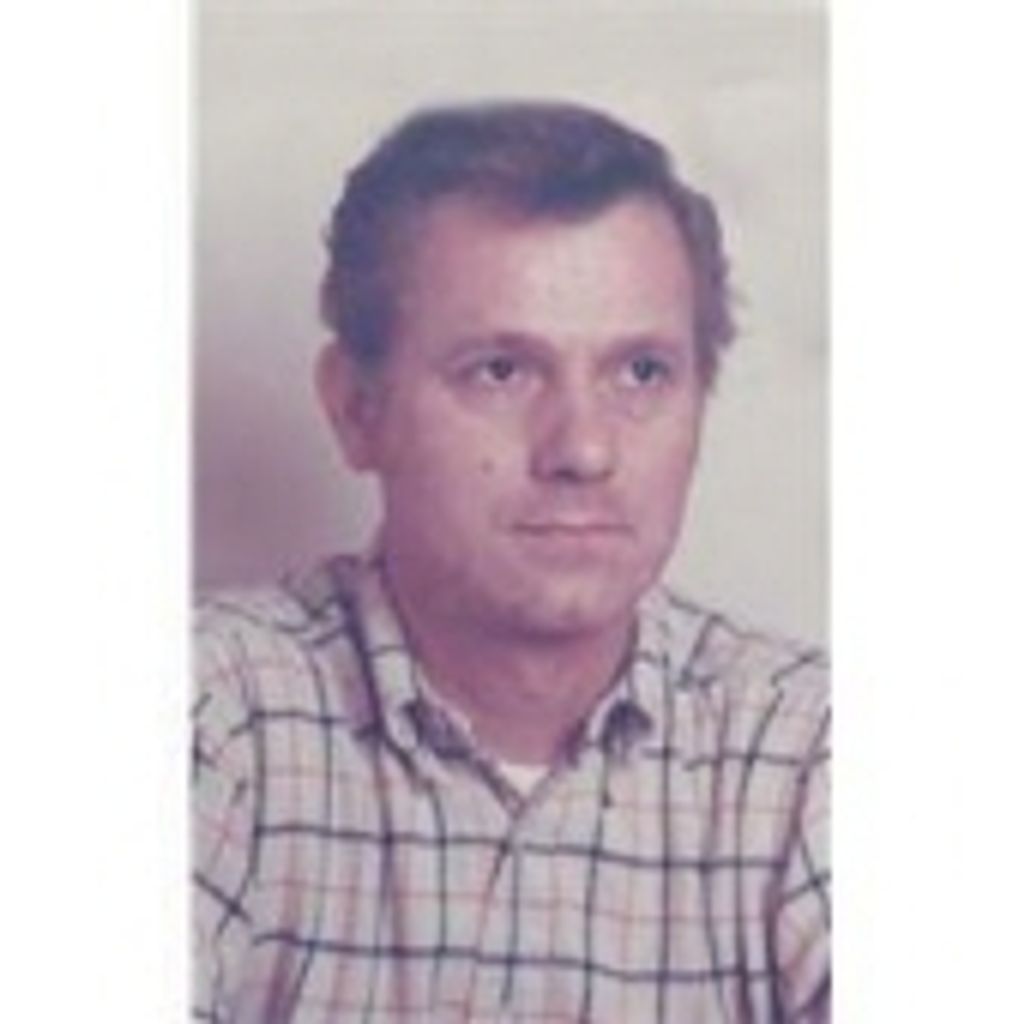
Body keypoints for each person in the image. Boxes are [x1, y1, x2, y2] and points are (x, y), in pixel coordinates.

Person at [192, 101, 829, 1023]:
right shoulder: (209, 716)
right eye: (501, 371)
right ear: (357, 409)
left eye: (642, 373)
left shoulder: (812, 752)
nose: (584, 450)